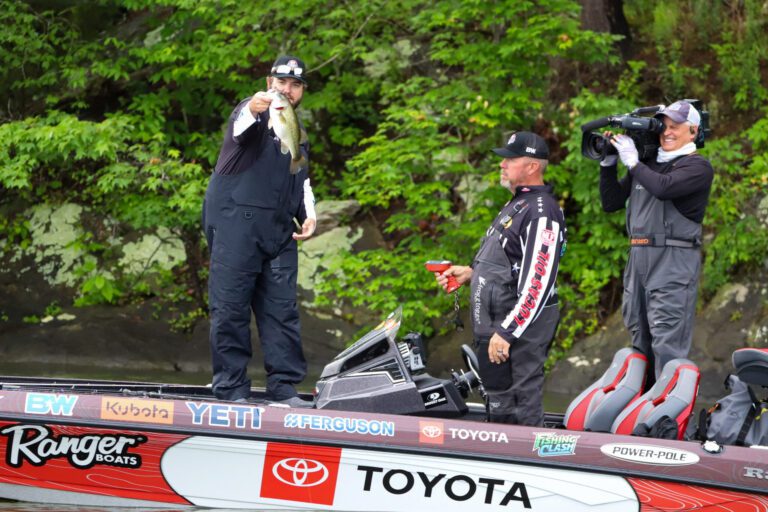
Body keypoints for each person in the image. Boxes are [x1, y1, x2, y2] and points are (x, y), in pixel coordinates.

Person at [201, 55, 316, 406]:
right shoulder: (249, 112)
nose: (287, 90)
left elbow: (301, 177)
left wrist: (309, 215)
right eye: (281, 82)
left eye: (295, 85)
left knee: (282, 312)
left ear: (302, 91)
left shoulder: (297, 129)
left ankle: (284, 389)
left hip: (279, 231)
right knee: (230, 308)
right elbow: (242, 126)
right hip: (236, 225)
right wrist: (253, 107)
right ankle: (232, 390)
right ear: (269, 83)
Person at [436, 132, 566, 425]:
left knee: (520, 402)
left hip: (516, 329)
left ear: (532, 166)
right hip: (495, 325)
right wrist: (470, 273)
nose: (502, 164)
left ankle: (527, 452)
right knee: (499, 399)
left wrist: (508, 332)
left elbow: (538, 283)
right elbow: (510, 263)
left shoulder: (542, 212)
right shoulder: (518, 203)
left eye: (510, 159)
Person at [599, 100, 714, 386]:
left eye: (675, 127)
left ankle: (667, 410)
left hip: (673, 261)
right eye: (664, 126)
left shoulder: (697, 166)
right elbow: (611, 202)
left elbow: (664, 187)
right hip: (638, 259)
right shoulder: (647, 165)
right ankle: (638, 406)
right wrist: (608, 163)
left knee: (667, 341)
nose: (667, 132)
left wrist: (633, 161)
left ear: (693, 130)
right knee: (639, 339)